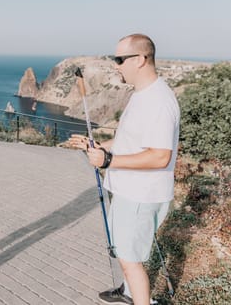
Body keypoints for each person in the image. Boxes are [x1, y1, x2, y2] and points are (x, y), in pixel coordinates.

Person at [69, 34, 180, 305]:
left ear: (140, 59)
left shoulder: (159, 102)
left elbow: (159, 157)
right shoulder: (141, 95)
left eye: (119, 59)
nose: (115, 65)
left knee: (131, 261)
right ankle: (128, 292)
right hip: (128, 190)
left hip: (141, 195)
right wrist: (98, 146)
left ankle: (140, 299)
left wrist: (108, 162)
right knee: (122, 251)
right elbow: (128, 141)